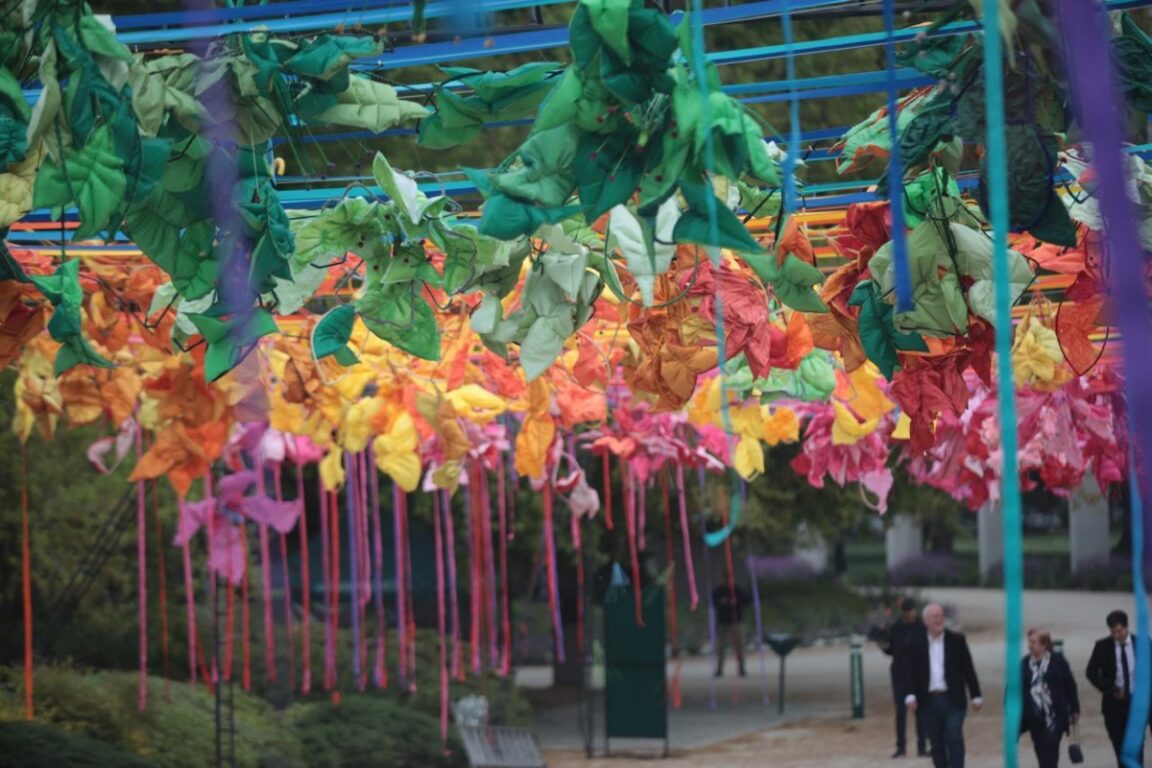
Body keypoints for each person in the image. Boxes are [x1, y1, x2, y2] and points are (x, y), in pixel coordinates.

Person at [904, 602, 983, 768]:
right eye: (935, 617)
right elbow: (909, 672)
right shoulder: (914, 643)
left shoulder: (957, 641)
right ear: (926, 621)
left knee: (954, 736)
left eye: (941, 616)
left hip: (953, 699)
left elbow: (968, 669)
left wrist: (975, 695)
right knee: (937, 744)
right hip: (928, 701)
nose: (939, 620)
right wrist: (910, 694)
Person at [1086, 609, 1152, 766]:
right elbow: (1091, 673)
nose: (1116, 635)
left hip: (1137, 704)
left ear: (1126, 627)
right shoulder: (1102, 646)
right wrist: (1111, 689)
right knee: (1120, 748)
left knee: (1136, 746)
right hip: (1114, 706)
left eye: (1119, 631)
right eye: (1112, 632)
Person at [1019, 628, 1079, 768]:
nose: (1030, 645)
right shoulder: (1024, 663)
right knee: (1041, 753)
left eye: (1033, 642)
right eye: (1029, 642)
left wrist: (1075, 708)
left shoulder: (1058, 661)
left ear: (1044, 644)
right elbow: (1014, 688)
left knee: (1049, 752)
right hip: (1034, 718)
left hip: (1055, 716)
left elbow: (1070, 685)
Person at [878, 597, 929, 758]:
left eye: (911, 612)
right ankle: (901, 747)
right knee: (900, 712)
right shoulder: (896, 628)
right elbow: (891, 650)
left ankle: (922, 747)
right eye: (906, 613)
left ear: (915, 611)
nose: (909, 615)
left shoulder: (922, 627)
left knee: (920, 712)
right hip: (900, 674)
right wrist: (882, 647)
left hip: (919, 674)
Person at [713, 583, 750, 677]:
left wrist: (737, 601)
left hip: (737, 621)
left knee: (740, 645)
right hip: (723, 621)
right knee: (721, 646)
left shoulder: (738, 589)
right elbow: (713, 602)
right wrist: (722, 602)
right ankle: (719, 669)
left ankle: (741, 668)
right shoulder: (719, 590)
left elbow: (747, 601)